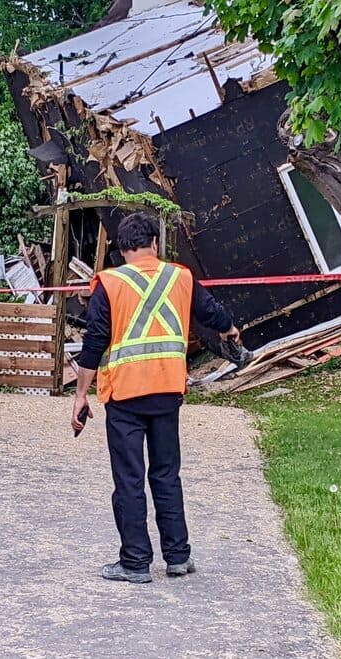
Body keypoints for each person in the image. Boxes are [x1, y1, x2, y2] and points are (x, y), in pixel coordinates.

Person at [71, 212, 240, 584]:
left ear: (121, 249)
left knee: (129, 480)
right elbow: (211, 312)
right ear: (155, 244)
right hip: (167, 391)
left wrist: (81, 395)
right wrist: (230, 329)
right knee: (166, 474)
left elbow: (94, 343)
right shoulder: (179, 276)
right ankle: (178, 556)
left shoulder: (110, 284)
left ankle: (135, 562)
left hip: (126, 396)